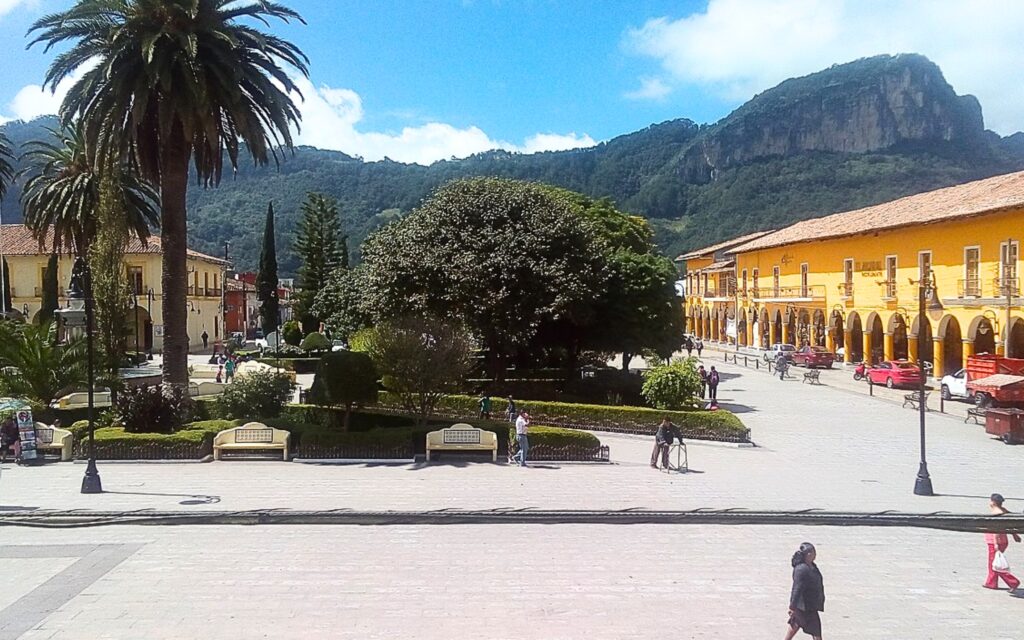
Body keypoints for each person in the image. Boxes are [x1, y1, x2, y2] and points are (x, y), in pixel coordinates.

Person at [984, 493, 1022, 595]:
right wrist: (1015, 535)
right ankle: (991, 583)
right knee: (993, 563)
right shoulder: (1003, 511)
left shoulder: (996, 513)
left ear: (993, 502)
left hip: (996, 541)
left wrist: (996, 544)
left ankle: (1013, 582)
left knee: (996, 565)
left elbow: (996, 529)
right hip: (1002, 541)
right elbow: (1010, 523)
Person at [785, 542, 825, 640]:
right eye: (814, 552)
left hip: (807, 605)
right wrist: (792, 606)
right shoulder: (801, 569)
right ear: (808, 554)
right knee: (816, 630)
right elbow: (796, 589)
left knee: (795, 623)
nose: (815, 554)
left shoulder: (812, 566)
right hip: (805, 606)